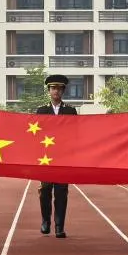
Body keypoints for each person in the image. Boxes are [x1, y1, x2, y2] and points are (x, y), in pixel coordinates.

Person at [36, 74, 77, 238]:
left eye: (59, 88)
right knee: (45, 191)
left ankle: (59, 226)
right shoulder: (41, 111)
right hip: (45, 158)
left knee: (61, 192)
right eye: (53, 88)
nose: (56, 91)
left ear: (63, 91)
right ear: (49, 90)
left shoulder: (70, 111)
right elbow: (35, 134)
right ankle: (46, 221)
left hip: (63, 157)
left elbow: (76, 133)